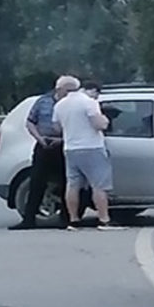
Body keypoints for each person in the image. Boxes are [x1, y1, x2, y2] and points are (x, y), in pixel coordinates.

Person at [51, 75, 121, 231]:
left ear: (65, 89)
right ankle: (104, 220)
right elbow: (99, 124)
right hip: (91, 147)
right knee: (98, 185)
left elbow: (56, 128)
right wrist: (105, 120)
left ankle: (73, 220)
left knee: (73, 185)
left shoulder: (60, 105)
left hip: (70, 148)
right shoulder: (88, 102)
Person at [9, 78, 69, 230]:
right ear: (59, 88)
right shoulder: (43, 101)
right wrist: (39, 138)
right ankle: (28, 219)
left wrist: (62, 140)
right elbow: (30, 121)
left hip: (63, 146)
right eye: (68, 89)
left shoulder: (71, 104)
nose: (71, 93)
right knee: (36, 182)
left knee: (65, 183)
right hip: (43, 145)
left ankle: (65, 219)